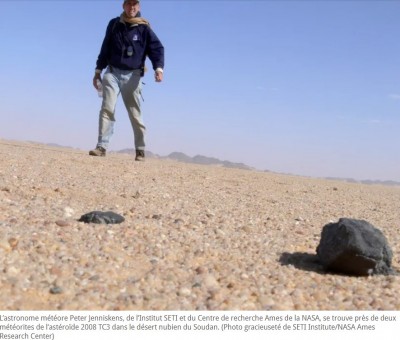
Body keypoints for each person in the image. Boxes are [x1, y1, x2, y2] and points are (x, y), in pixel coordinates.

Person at [89, 0, 164, 161]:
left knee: (135, 114)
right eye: (129, 4)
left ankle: (140, 150)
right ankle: (101, 146)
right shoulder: (114, 24)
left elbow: (156, 48)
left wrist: (158, 68)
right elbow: (105, 48)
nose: (132, 7)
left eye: (135, 4)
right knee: (107, 108)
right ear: (123, 6)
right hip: (112, 73)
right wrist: (98, 71)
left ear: (139, 7)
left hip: (133, 75)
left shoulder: (144, 28)